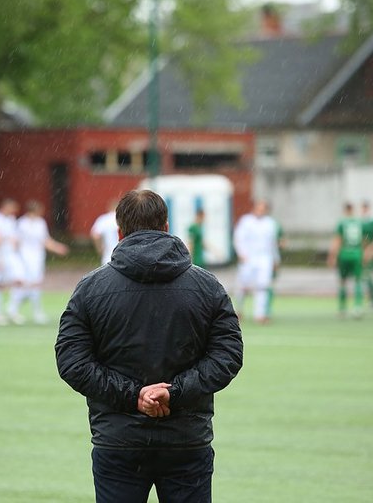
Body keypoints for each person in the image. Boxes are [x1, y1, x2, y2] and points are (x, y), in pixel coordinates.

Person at [56, 189, 243, 503]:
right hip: (185, 438)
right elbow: (228, 354)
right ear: (166, 227)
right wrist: (175, 392)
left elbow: (72, 361)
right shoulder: (207, 285)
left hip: (119, 439)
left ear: (119, 232)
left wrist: (133, 396)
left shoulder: (91, 288)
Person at [13, 200, 68, 324]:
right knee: (25, 284)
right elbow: (16, 241)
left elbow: (45, 240)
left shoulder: (40, 223)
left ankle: (30, 310)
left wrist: (57, 247)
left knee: (35, 284)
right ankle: (15, 309)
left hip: (37, 258)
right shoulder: (22, 223)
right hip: (25, 258)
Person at [233, 200, 284, 323]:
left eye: (263, 209)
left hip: (265, 258)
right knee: (242, 286)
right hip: (248, 257)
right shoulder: (246, 221)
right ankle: (238, 309)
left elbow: (273, 244)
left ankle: (260, 314)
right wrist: (241, 253)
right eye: (258, 208)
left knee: (263, 286)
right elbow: (238, 238)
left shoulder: (270, 223)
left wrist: (276, 259)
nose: (260, 211)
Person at [0, 199, 23, 325]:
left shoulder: (11, 220)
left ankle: (12, 309)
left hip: (11, 254)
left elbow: (14, 237)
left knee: (19, 279)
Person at [327, 202, 364, 318]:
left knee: (342, 281)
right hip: (357, 253)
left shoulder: (342, 223)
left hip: (345, 254)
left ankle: (342, 308)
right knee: (358, 280)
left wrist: (332, 256)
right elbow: (364, 239)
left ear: (345, 210)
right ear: (353, 210)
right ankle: (358, 307)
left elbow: (337, 240)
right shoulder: (359, 223)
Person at [360, 201, 373, 310]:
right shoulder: (359, 222)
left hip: (370, 253)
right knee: (365, 277)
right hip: (361, 253)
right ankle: (372, 300)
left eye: (365, 208)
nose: (363, 210)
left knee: (368, 276)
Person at [90, 200, 119, 266]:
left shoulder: (104, 219)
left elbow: (95, 235)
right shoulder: (125, 219)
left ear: (109, 208)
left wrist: (99, 249)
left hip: (108, 257)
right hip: (124, 257)